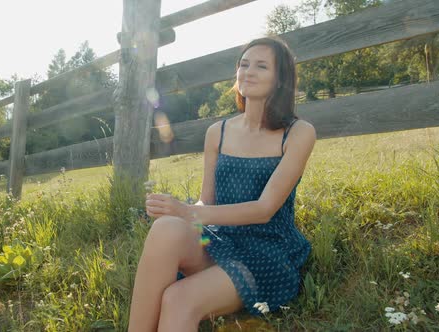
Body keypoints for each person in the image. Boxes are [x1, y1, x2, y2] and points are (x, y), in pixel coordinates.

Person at [128, 37, 316, 331]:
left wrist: (190, 212)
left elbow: (264, 209)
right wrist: (179, 211)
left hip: (265, 253)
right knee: (166, 227)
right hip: (220, 242)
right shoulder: (218, 131)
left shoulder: (298, 133)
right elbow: (207, 201)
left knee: (178, 299)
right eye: (243, 64)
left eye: (261, 66)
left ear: (281, 79)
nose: (248, 72)